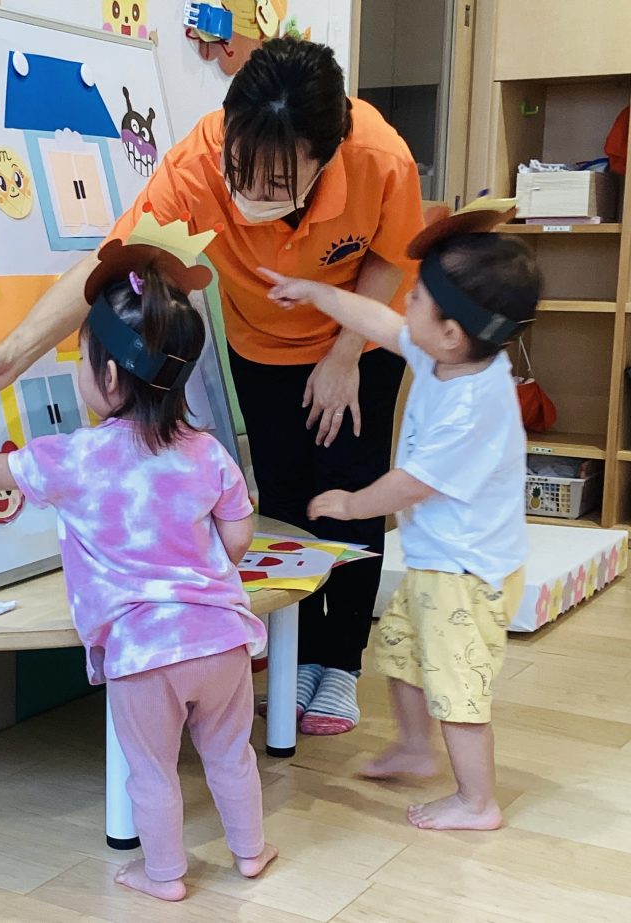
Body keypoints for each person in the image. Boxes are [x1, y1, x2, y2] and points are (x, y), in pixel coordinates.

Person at [0, 37, 425, 736]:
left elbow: (391, 257)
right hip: (262, 342)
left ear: (324, 158)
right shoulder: (195, 168)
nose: (251, 193)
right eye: (241, 170)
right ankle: (301, 654)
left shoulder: (381, 159)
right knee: (287, 488)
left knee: (351, 487)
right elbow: (109, 261)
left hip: (360, 337)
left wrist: (345, 353)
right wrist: (11, 354)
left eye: (276, 183)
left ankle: (342, 661)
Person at [0, 256, 277, 901]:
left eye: (81, 358)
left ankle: (163, 876)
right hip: (222, 640)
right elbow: (239, 536)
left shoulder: (74, 457)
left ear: (107, 375)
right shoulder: (208, 451)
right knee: (231, 756)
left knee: (152, 773)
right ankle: (250, 853)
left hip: (143, 653)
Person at [262, 200, 542, 830]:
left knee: (457, 687)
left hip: (467, 576)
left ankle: (477, 801)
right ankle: (416, 749)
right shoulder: (447, 355)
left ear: (451, 330)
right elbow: (377, 320)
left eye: (415, 297)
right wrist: (315, 292)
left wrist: (349, 504)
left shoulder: (472, 407)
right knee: (404, 653)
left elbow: (409, 485)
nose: (402, 304)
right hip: (441, 563)